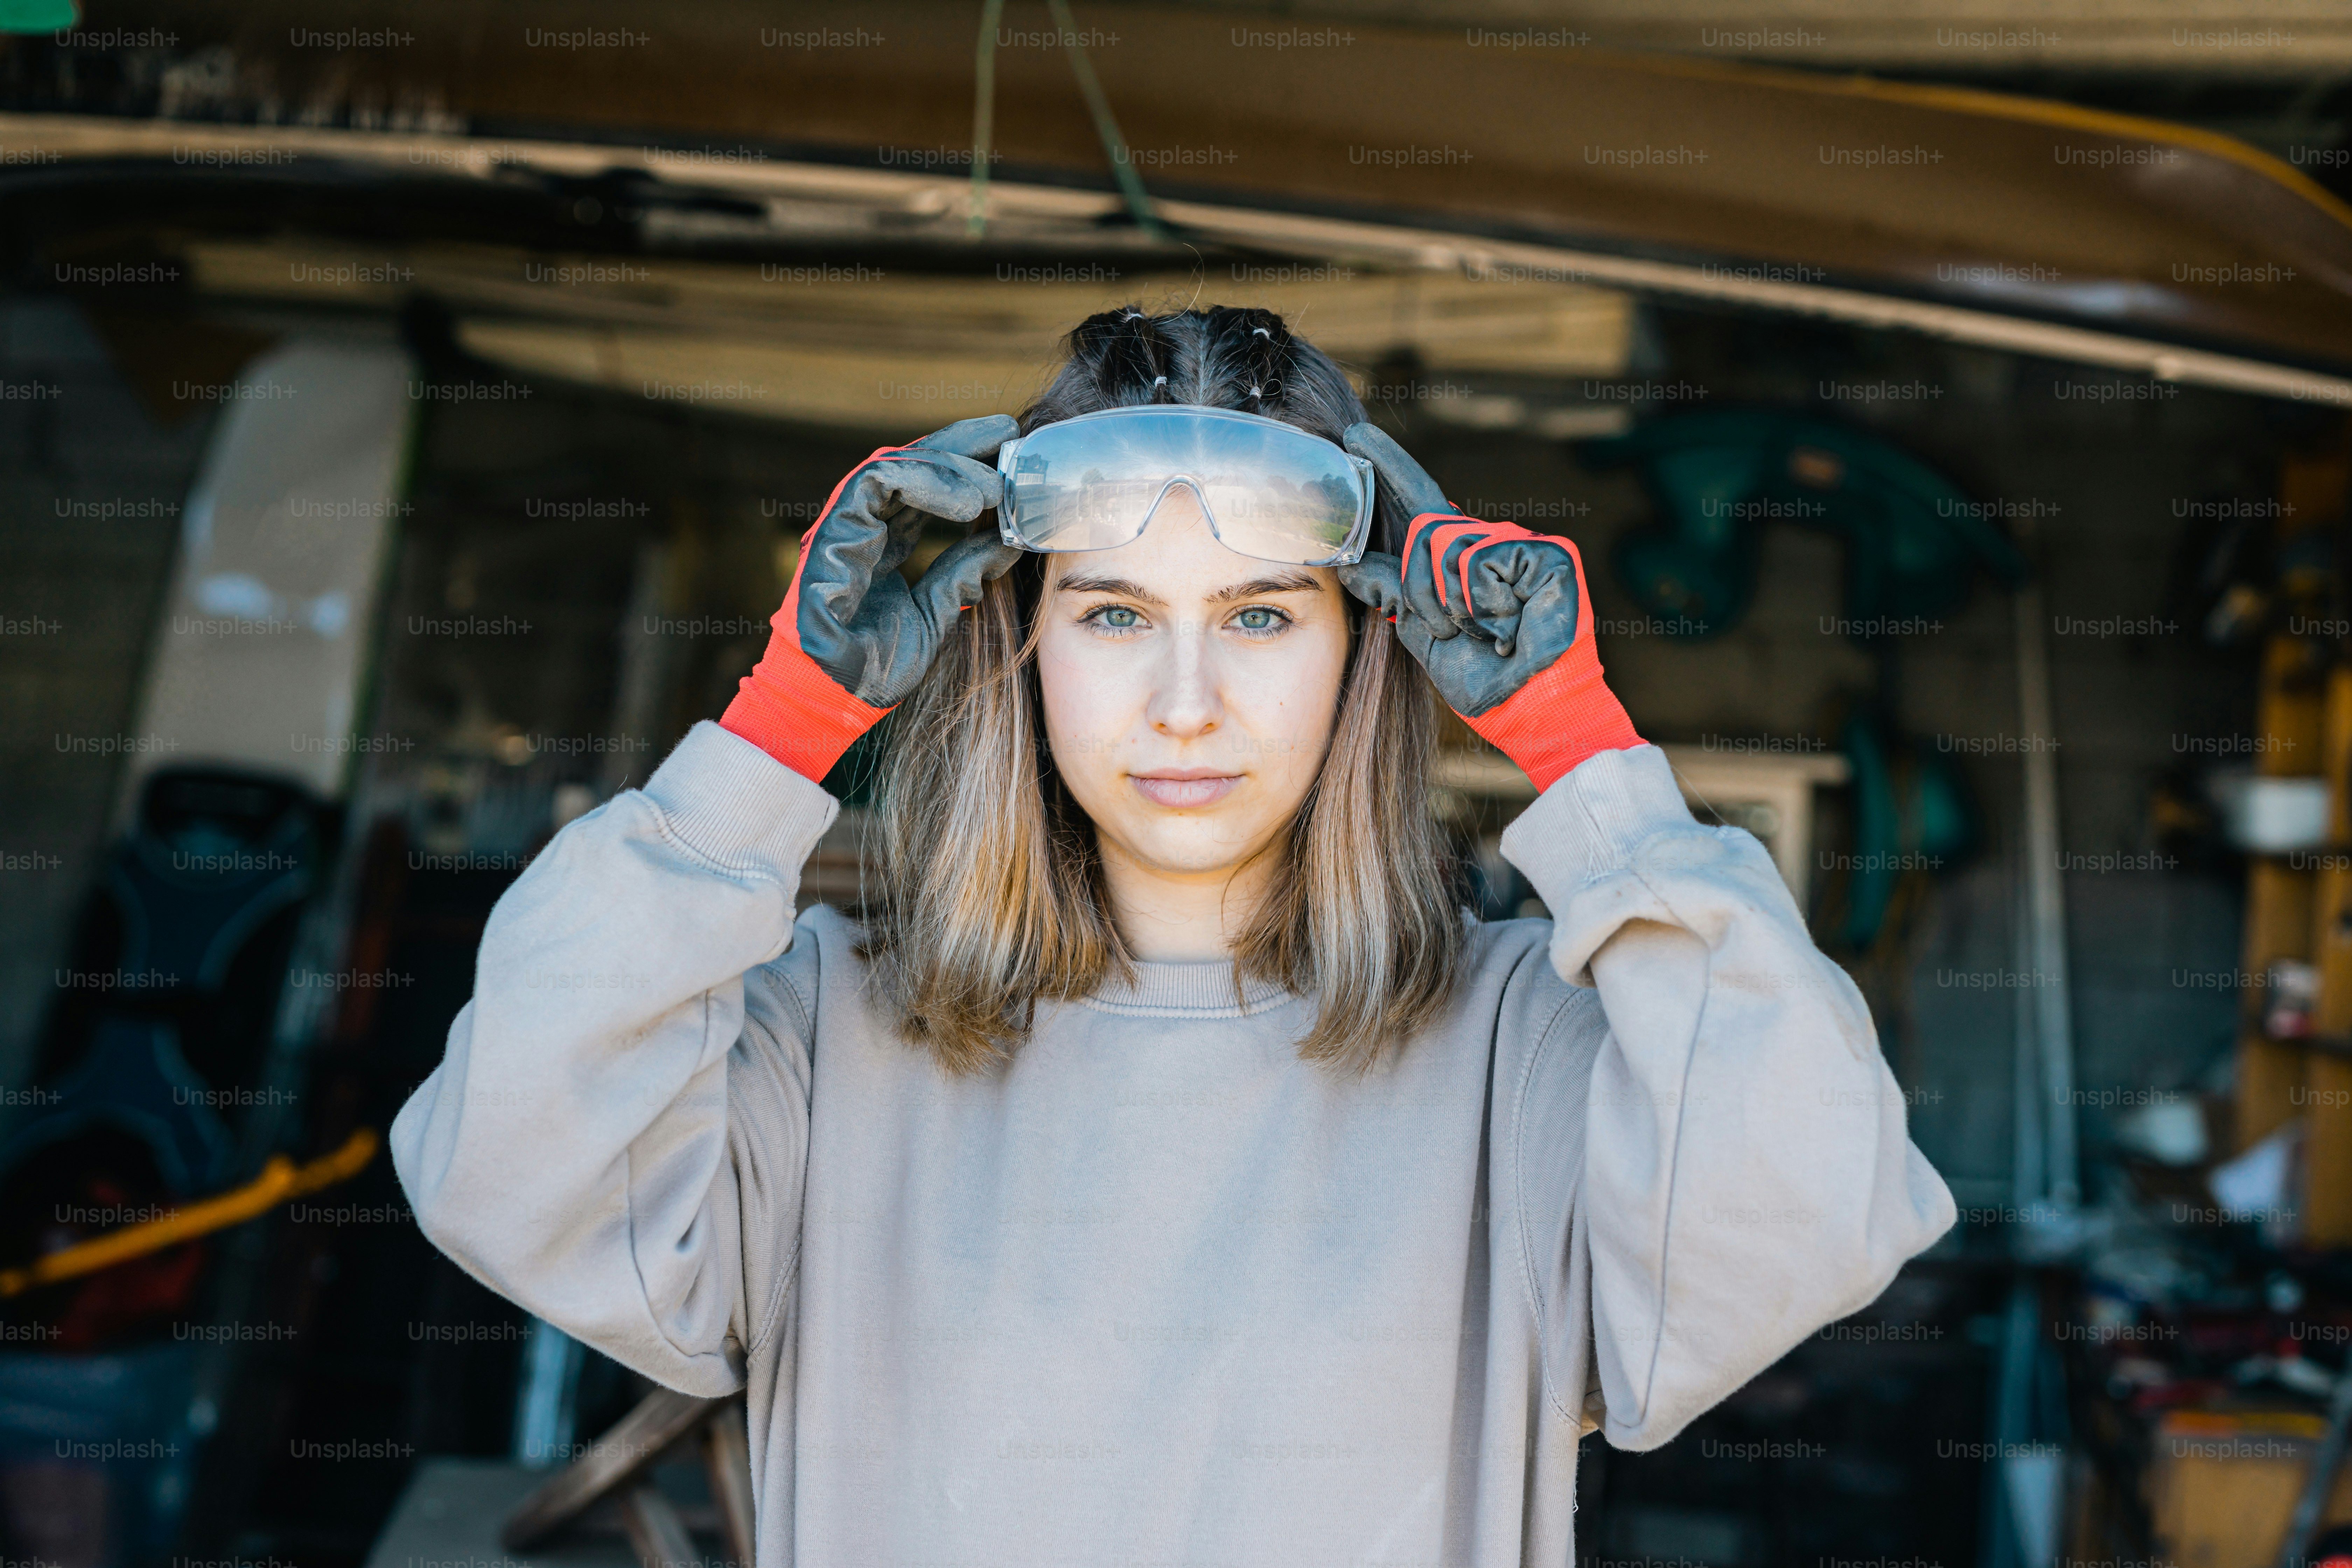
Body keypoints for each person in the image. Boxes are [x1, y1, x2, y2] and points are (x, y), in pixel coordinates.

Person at [392, 304, 1955, 1567]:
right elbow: (506, 1168)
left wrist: (1590, 761)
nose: (1187, 698)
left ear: (1365, 655)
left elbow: (1815, 1210)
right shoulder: (818, 1038)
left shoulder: (1523, 1055)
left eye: (1266, 614)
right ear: (1022, 639)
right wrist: (778, 730)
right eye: (1117, 612)